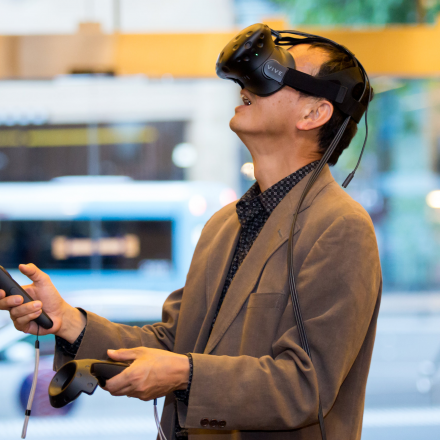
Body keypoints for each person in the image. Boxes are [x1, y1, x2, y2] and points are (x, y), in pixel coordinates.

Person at [0, 41, 381, 440]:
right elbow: (174, 341)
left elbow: (306, 387)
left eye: (279, 71)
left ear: (314, 113)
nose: (247, 84)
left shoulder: (340, 227)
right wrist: (68, 321)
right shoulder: (225, 225)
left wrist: (184, 373)